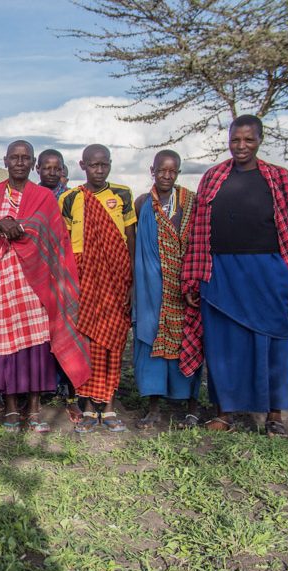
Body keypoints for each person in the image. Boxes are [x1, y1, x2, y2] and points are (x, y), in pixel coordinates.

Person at [182, 114, 288, 436]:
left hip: (269, 273)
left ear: (260, 140)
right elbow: (197, 233)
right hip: (220, 274)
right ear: (228, 140)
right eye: (235, 140)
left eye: (248, 140)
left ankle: (274, 415)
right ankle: (225, 412)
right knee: (222, 345)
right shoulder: (213, 178)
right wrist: (193, 278)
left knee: (272, 344)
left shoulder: (280, 179)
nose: (241, 146)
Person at [0, 141, 89, 432]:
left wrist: (19, 226)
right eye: (14, 157)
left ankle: (35, 409)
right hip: (2, 281)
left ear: (32, 163)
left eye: (25, 158)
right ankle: (13, 408)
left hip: (37, 282)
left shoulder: (44, 197)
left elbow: (53, 239)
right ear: (5, 161)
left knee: (36, 345)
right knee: (8, 345)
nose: (19, 162)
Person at [59, 144, 136, 432]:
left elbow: (130, 239)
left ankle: (110, 406)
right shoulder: (70, 198)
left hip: (115, 279)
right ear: (83, 165)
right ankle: (88, 406)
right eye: (93, 165)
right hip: (83, 279)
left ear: (110, 164)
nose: (99, 170)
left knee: (114, 341)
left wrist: (131, 281)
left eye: (104, 165)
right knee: (86, 343)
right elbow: (64, 245)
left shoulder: (122, 194)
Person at [132, 150, 201, 429]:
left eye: (172, 171)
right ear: (153, 170)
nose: (167, 176)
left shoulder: (190, 203)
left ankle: (192, 407)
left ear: (178, 173)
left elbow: (199, 245)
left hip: (184, 289)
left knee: (189, 342)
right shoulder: (142, 204)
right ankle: (153, 407)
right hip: (151, 290)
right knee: (150, 345)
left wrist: (193, 282)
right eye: (162, 170)